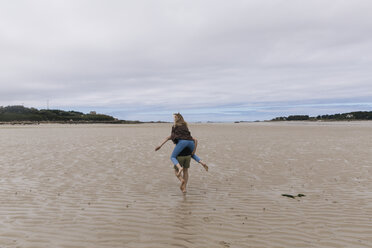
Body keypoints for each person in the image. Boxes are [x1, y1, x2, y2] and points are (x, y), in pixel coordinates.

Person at [155, 113, 208, 177]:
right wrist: (194, 150)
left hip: (183, 142)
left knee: (173, 157)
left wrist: (160, 145)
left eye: (174, 118)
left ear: (176, 119)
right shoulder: (185, 126)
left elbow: (169, 137)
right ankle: (202, 162)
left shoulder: (175, 126)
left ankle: (179, 168)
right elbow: (195, 140)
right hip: (191, 142)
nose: (173, 119)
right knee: (191, 154)